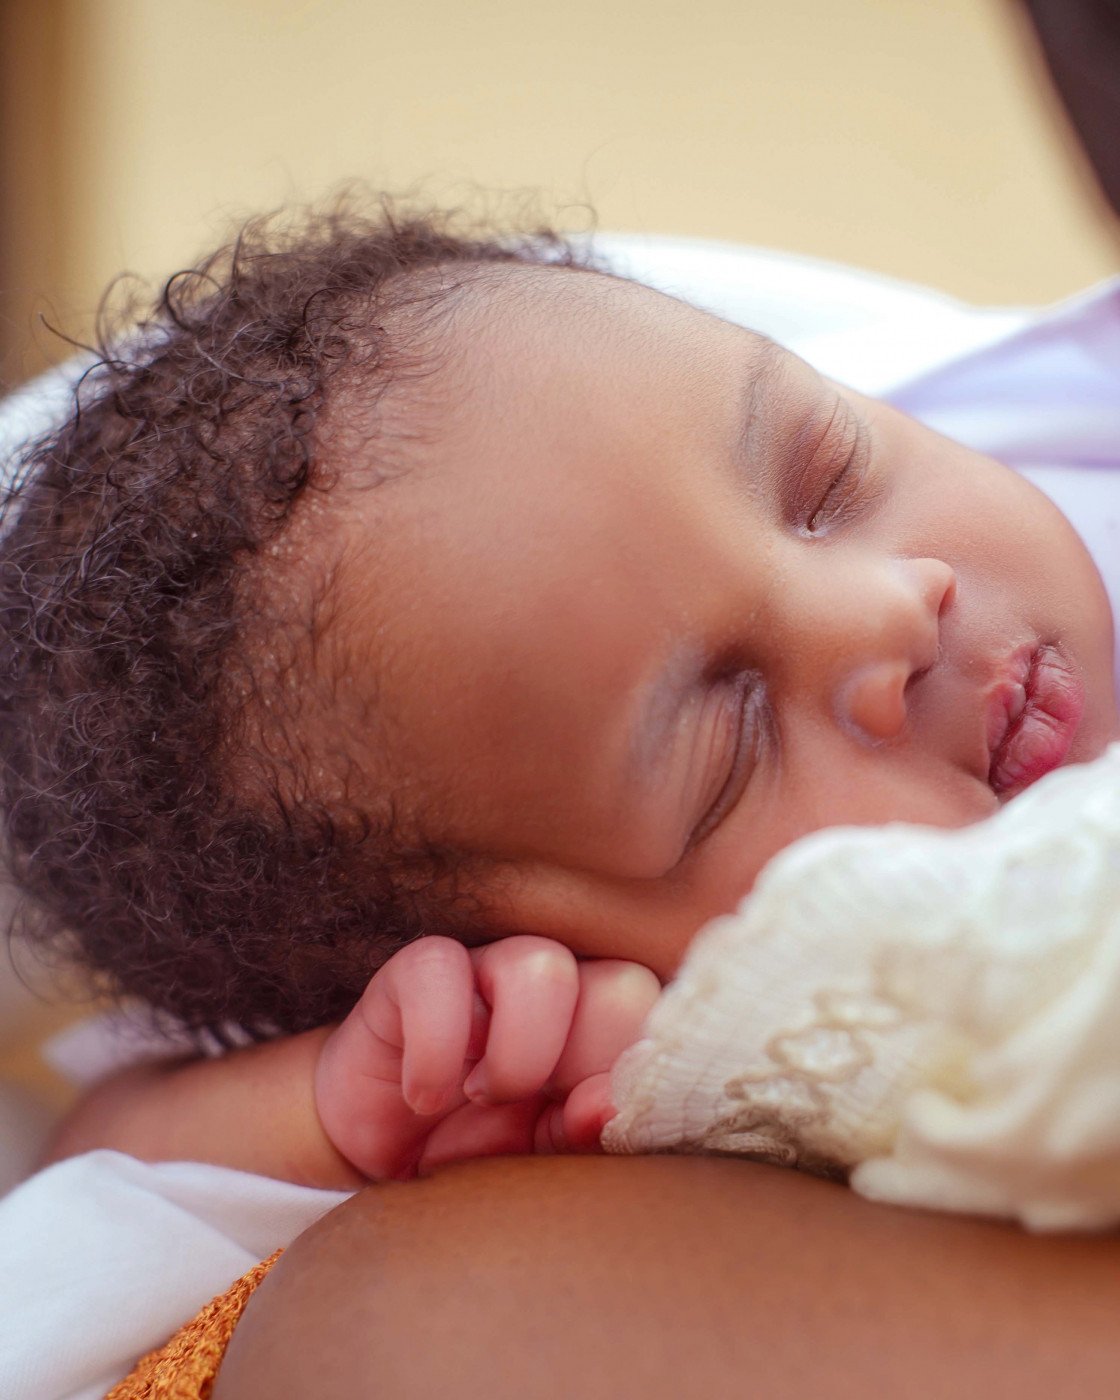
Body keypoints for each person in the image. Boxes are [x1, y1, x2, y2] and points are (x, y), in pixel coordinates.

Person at [4, 202, 1118, 1191]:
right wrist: (343, 1099)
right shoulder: (706, 1050)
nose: (890, 613)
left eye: (828, 480)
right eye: (728, 742)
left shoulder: (1083, 468)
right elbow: (90, 1167)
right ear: (559, 963)